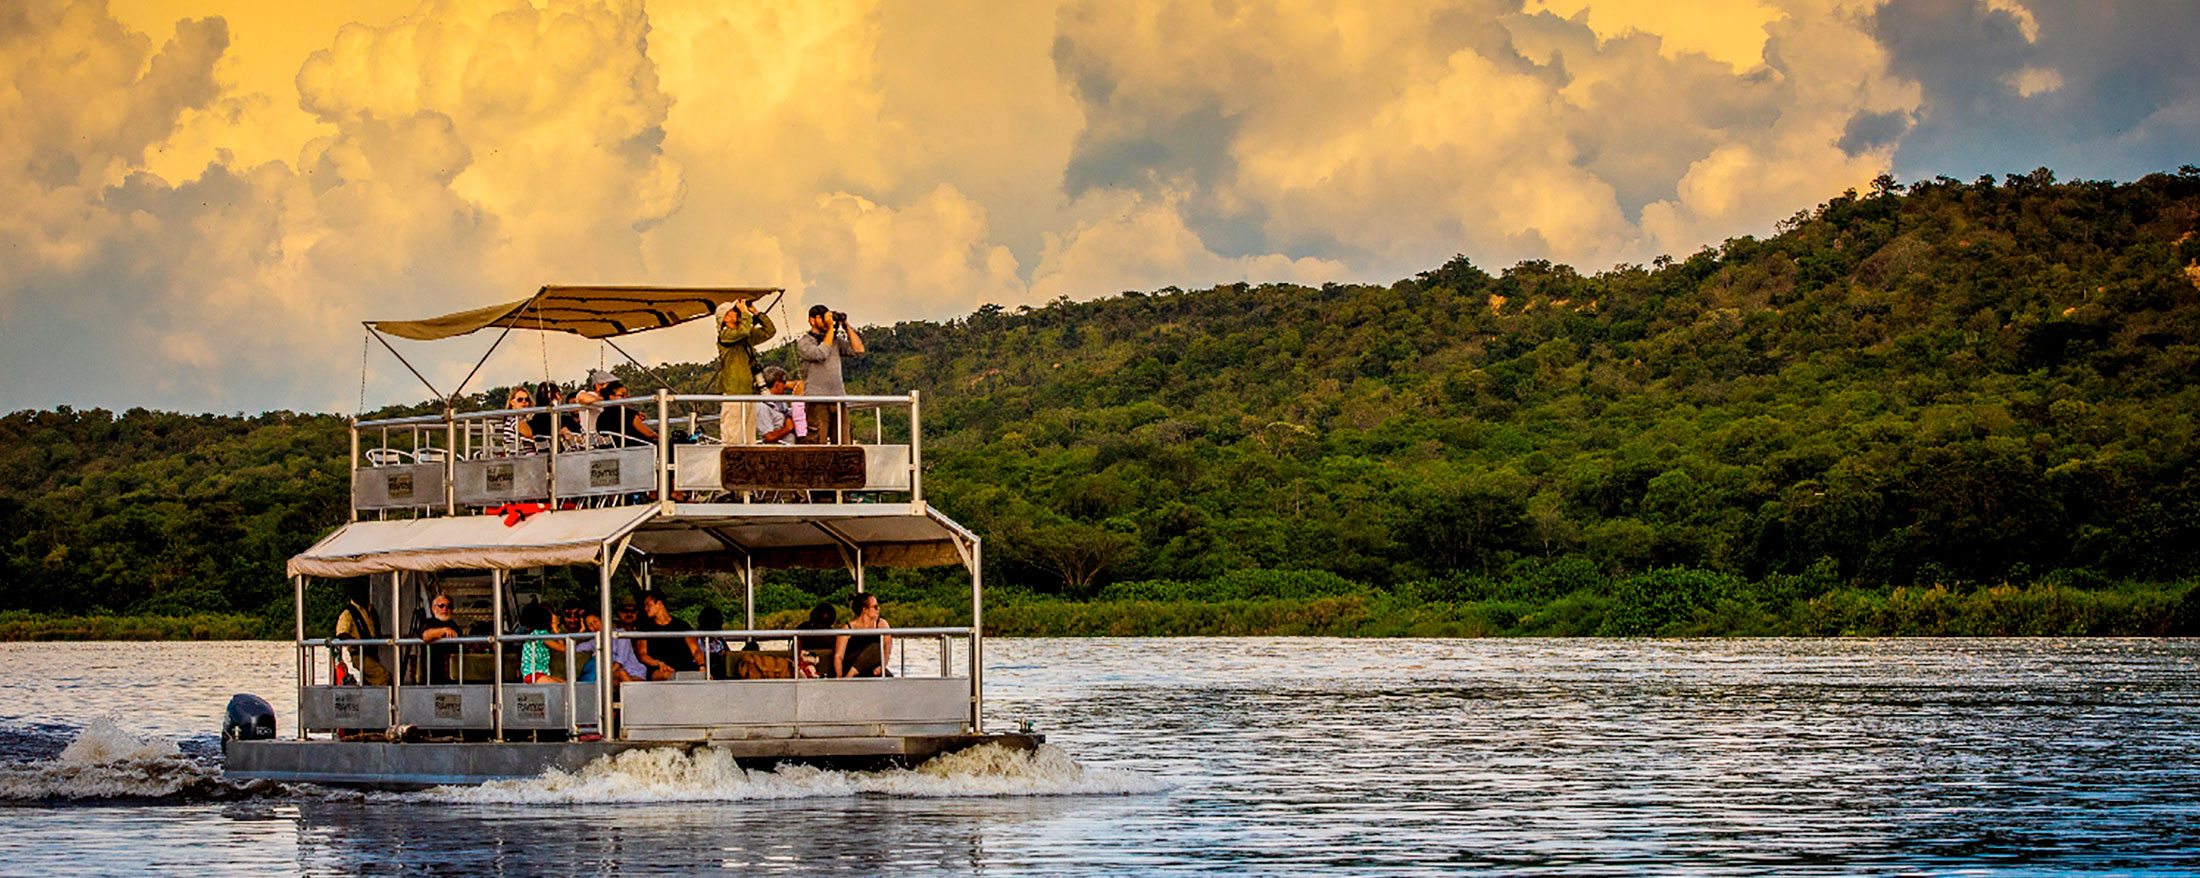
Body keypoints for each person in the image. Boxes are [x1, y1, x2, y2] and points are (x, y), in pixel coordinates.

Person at [796, 304, 864, 444]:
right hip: (816, 400)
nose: (827, 322)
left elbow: (858, 349)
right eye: (823, 318)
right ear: (812, 320)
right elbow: (821, 354)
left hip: (838, 398)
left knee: (844, 442)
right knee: (817, 443)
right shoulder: (804, 342)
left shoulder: (834, 341)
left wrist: (846, 325)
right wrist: (831, 330)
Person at [716, 299, 777, 445]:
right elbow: (743, 331)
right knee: (732, 435)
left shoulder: (744, 336)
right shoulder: (725, 335)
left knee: (749, 436)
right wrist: (744, 312)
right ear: (725, 318)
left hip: (748, 391)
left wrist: (756, 312)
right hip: (733, 392)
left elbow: (770, 331)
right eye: (733, 311)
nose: (737, 313)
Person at [635, 589, 701, 680]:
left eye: (648, 605)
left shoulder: (681, 625)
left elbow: (696, 650)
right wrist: (659, 664)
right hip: (659, 669)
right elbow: (642, 654)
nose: (646, 609)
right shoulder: (644, 627)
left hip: (685, 668)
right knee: (666, 676)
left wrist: (702, 666)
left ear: (659, 603)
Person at [333, 580, 390, 686]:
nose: (364, 594)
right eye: (361, 592)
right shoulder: (348, 612)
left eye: (365, 591)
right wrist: (360, 643)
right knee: (382, 676)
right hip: (359, 655)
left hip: (373, 653)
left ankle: (369, 700)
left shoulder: (370, 608)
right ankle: (378, 701)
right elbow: (341, 634)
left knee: (369, 681)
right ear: (354, 594)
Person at [833, 592, 892, 678]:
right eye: (875, 607)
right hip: (851, 664)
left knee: (888, 677)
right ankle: (849, 676)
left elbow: (887, 647)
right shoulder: (848, 628)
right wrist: (839, 677)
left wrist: (882, 667)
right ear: (865, 609)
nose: (878, 609)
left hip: (872, 667)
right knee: (876, 647)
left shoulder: (881, 624)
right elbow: (839, 656)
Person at [411, 591, 463, 685]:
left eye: (449, 606)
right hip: (431, 677)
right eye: (441, 605)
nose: (445, 609)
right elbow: (426, 636)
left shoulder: (454, 625)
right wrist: (443, 631)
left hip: (452, 677)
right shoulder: (429, 623)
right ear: (434, 608)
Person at [754, 365, 807, 444]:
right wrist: (787, 428)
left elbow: (799, 385)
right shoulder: (762, 406)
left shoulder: (779, 401)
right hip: (778, 450)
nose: (785, 386)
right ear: (777, 384)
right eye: (784, 383)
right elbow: (769, 437)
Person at [517, 602, 561, 684]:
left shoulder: (540, 633)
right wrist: (555, 628)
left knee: (566, 684)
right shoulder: (540, 634)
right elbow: (562, 647)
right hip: (533, 674)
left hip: (540, 673)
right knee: (563, 688)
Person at [606, 599, 647, 683]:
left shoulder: (642, 631)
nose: (629, 614)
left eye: (633, 611)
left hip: (639, 674)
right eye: (625, 611)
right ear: (618, 613)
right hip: (615, 673)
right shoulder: (612, 632)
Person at [794, 602, 837, 677]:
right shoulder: (804, 629)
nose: (821, 628)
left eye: (824, 626)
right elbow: (797, 645)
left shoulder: (831, 634)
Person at [500, 385, 536, 453]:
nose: (524, 402)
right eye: (520, 400)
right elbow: (529, 433)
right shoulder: (513, 418)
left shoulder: (521, 419)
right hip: (521, 458)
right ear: (512, 402)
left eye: (527, 399)